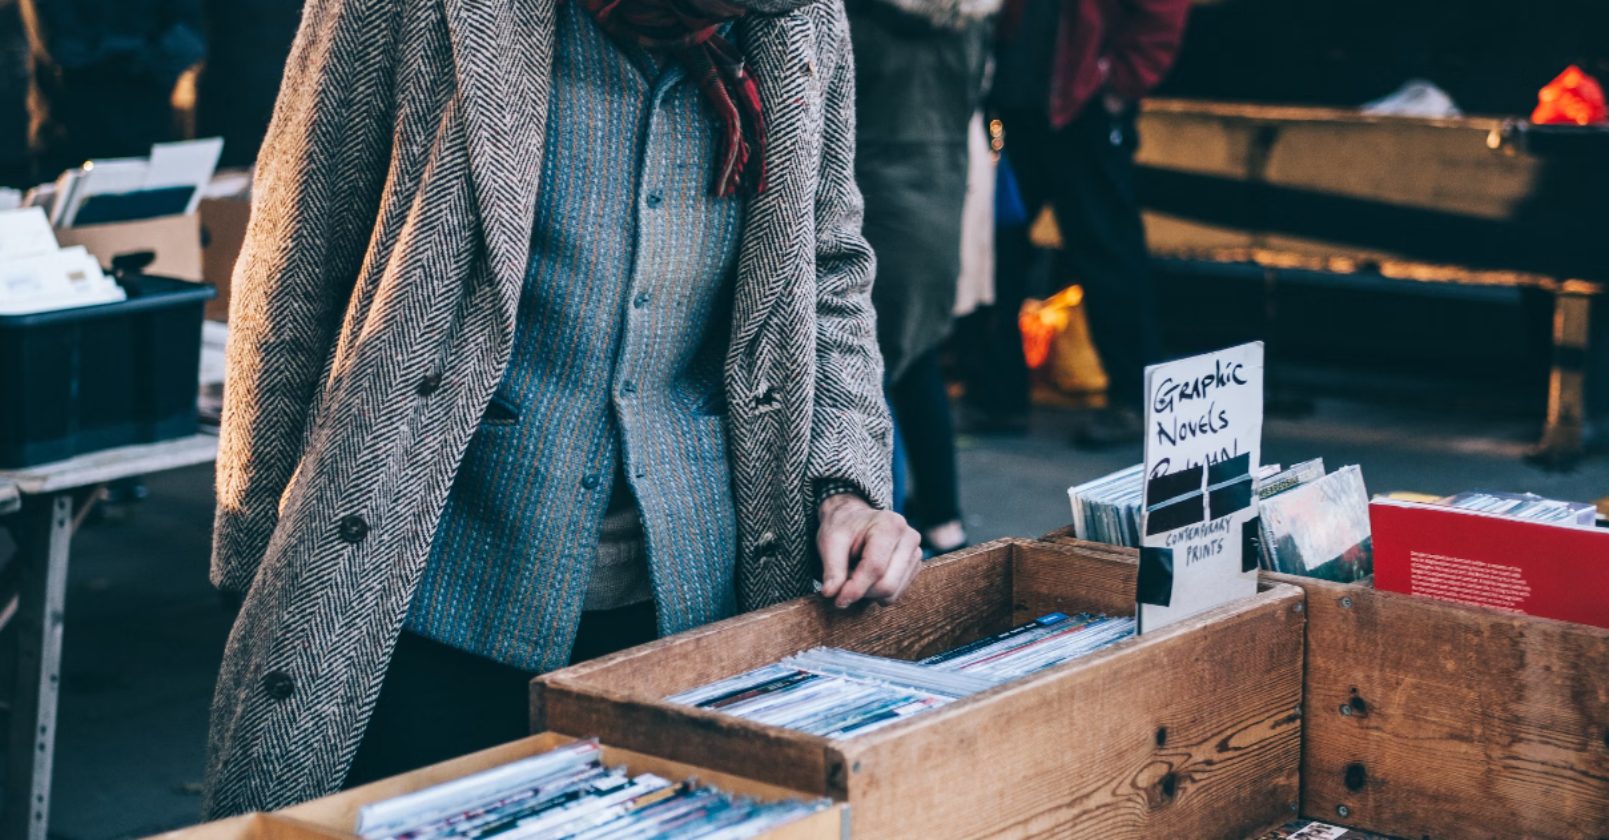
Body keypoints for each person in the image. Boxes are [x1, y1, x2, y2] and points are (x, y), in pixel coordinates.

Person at [203, 0, 919, 818]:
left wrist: (846, 484)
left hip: (694, 608)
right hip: (420, 589)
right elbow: (295, 261)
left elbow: (829, 270)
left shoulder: (800, 22)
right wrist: (255, 557)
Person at [982, 0, 1191, 446]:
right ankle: (997, 398)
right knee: (995, 251)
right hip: (1016, 107)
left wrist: (1119, 86)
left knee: (1109, 256)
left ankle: (1135, 402)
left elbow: (1163, 14)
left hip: (1083, 109)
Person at [850, 0, 993, 553]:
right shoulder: (972, 20)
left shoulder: (856, 17)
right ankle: (943, 520)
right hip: (942, 200)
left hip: (872, 201)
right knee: (918, 360)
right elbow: (981, 110)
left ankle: (885, 525)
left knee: (867, 369)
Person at [16, 0, 204, 177]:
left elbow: (189, 43)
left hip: (150, 138)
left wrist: (106, 49)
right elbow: (65, 47)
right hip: (69, 141)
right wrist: (144, 51)